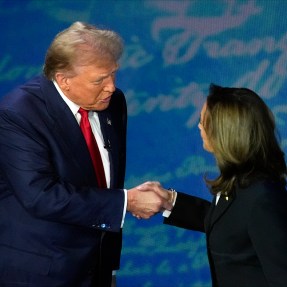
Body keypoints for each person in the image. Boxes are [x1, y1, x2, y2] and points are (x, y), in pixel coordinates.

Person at [0, 21, 170, 287]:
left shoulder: (113, 103)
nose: (111, 87)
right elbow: (40, 196)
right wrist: (126, 203)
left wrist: (109, 267)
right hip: (41, 273)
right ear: (63, 80)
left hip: (97, 270)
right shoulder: (18, 114)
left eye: (114, 74)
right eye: (100, 79)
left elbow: (104, 182)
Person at [139, 84, 287, 287]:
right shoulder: (242, 179)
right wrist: (170, 201)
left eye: (203, 121)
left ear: (225, 132)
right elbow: (230, 224)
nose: (199, 126)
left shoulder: (262, 197)